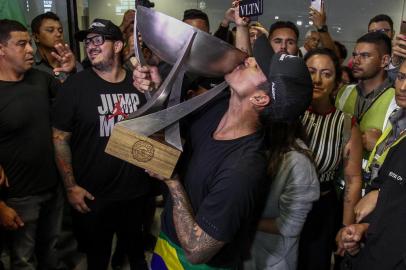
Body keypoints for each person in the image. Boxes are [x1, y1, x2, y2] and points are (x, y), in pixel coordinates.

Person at [133, 7, 313, 269]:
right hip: (167, 244)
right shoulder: (216, 105)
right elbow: (168, 127)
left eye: (256, 64)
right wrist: (156, 90)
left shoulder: (244, 168)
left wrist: (172, 181)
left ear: (260, 98)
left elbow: (197, 250)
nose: (246, 59)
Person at [52, 18, 150, 270]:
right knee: (97, 259)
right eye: (88, 42)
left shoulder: (139, 85)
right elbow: (60, 138)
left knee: (136, 257)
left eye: (98, 40)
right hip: (93, 195)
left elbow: (154, 129)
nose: (91, 46)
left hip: (135, 192)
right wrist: (71, 186)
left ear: (117, 46)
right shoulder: (75, 86)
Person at [0, 19, 74, 269]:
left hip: (52, 189)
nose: (30, 50)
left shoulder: (40, 80)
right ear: (1, 49)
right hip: (18, 198)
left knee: (51, 250)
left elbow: (69, 105)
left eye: (29, 44)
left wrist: (66, 71)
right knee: (23, 259)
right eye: (21, 44)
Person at [337, 59, 406, 270]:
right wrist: (365, 228)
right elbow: (395, 207)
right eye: (402, 77)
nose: (403, 87)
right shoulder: (399, 123)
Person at [298, 48, 363, 270]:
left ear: (336, 83)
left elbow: (353, 180)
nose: (317, 80)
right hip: (279, 205)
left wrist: (345, 227)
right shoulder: (288, 112)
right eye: (311, 71)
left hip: (321, 210)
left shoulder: (346, 124)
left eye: (326, 74)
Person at [244, 119, 320, 270]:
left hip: (273, 260)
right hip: (249, 253)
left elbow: (290, 226)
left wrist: (245, 222)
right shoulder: (259, 149)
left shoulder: (298, 163)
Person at [335, 32, 397, 180]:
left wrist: (379, 147)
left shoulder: (397, 99)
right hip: (337, 182)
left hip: (371, 187)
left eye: (365, 56)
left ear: (384, 60)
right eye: (355, 55)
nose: (355, 61)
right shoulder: (344, 92)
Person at [31, 11, 82, 82]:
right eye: (50, 30)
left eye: (60, 31)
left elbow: (84, 90)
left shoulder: (73, 64)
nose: (58, 34)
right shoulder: (29, 66)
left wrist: (72, 71)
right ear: (36, 37)